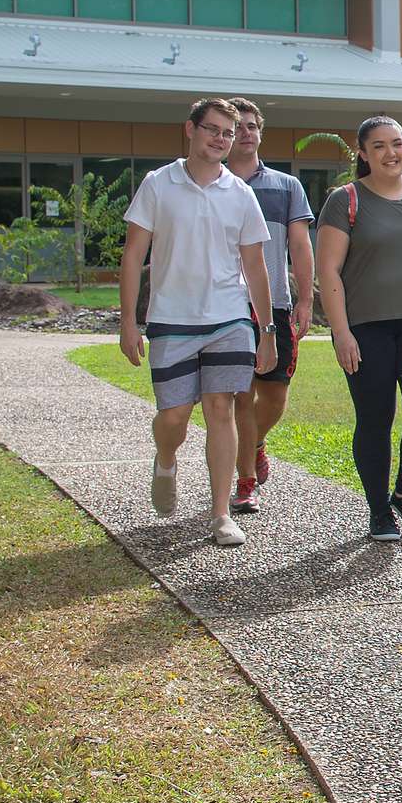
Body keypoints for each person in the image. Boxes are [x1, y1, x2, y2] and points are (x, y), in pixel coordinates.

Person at [118, 98, 278, 547]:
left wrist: (266, 331)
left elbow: (255, 264)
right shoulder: (157, 184)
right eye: (213, 129)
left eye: (228, 133)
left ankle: (221, 513)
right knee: (173, 416)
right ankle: (166, 458)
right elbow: (134, 254)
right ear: (190, 129)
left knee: (220, 410)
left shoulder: (240, 193)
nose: (221, 139)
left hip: (229, 318)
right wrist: (128, 321)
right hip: (171, 317)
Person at [316, 116, 402, 541]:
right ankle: (378, 510)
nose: (392, 153)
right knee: (376, 418)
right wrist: (341, 331)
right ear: (363, 154)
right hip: (365, 328)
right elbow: (328, 270)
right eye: (380, 146)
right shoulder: (345, 200)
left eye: (398, 143)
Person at [225, 98, 314, 514]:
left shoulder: (286, 186)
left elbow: (300, 244)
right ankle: (245, 481)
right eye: (236, 126)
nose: (244, 132)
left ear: (260, 132)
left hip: (275, 304)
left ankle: (256, 444)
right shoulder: (212, 183)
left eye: (250, 126)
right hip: (226, 305)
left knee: (274, 397)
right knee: (241, 396)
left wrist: (306, 298)